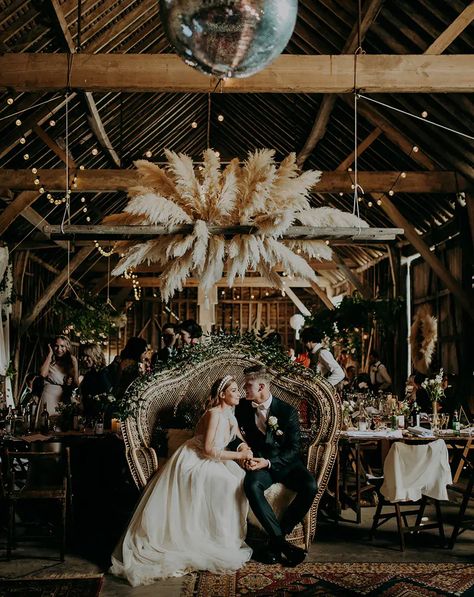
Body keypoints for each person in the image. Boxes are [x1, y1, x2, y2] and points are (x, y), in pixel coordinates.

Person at [110, 376, 252, 586]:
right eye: (233, 390)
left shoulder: (231, 414)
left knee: (237, 478)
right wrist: (239, 457)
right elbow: (209, 449)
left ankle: (225, 539)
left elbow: (238, 439)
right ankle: (211, 540)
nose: (238, 393)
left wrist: (246, 450)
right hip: (195, 459)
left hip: (215, 458)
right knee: (225, 482)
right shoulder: (213, 414)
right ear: (222, 395)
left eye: (238, 390)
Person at [231, 365, 317, 567]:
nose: (244, 388)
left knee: (310, 486)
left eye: (248, 385)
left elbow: (294, 448)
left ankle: (276, 541)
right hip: (258, 464)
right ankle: (282, 543)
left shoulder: (287, 411)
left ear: (261, 386)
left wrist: (270, 462)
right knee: (251, 485)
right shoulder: (242, 407)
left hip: (286, 463)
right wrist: (245, 451)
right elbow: (231, 435)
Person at [37, 335, 79, 420]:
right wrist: (49, 355)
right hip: (48, 396)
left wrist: (75, 364)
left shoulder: (71, 362)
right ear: (52, 346)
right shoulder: (48, 360)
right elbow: (42, 374)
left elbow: (76, 384)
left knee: (61, 426)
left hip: (63, 398)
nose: (59, 349)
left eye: (62, 346)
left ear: (67, 347)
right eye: (56, 346)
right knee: (46, 424)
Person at [80, 343, 113, 420]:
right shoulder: (89, 374)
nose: (84, 359)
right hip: (88, 415)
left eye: (87, 356)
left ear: (95, 356)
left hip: (99, 418)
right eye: (84, 356)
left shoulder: (103, 373)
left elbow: (108, 398)